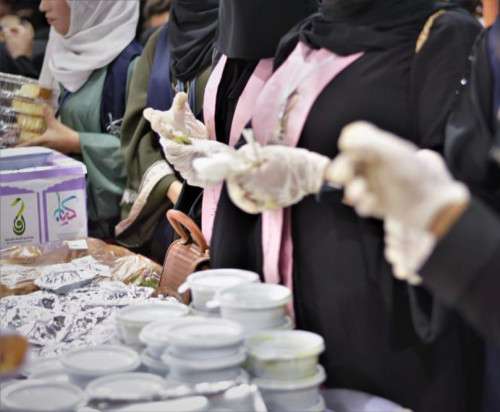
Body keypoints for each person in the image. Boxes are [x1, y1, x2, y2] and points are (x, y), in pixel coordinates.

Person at [157, 0, 484, 410]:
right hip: (285, 327)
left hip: (377, 336)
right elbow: (272, 149)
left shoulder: (443, 38)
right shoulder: (306, 35)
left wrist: (324, 177)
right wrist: (218, 159)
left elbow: (453, 193)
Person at [19, 0, 142, 240]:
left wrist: (76, 142)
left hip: (115, 235)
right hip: (61, 218)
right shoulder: (60, 56)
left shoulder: (132, 66)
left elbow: (144, 160)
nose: (42, 6)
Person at [116, 0, 218, 262]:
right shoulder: (160, 42)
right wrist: (171, 188)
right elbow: (138, 129)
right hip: (167, 216)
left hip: (220, 209)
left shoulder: (241, 39)